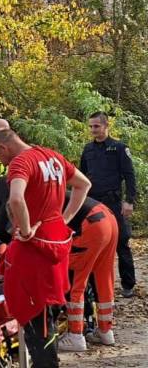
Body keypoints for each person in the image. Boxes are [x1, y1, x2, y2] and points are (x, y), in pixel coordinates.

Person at [0, 129, 91, 367]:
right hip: (56, 243)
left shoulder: (21, 162)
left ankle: (45, 362)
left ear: (3, 148)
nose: (2, 163)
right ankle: (46, 359)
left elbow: (16, 199)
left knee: (35, 314)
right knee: (50, 311)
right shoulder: (53, 156)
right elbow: (84, 184)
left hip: (33, 249)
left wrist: (25, 230)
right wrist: (64, 219)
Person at [80, 111, 137, 298]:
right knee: (94, 244)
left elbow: (129, 176)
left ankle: (128, 284)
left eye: (96, 126)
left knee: (121, 241)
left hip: (113, 201)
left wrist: (129, 201)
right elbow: (82, 176)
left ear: (106, 126)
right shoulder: (88, 150)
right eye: (90, 126)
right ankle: (97, 287)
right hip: (94, 203)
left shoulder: (119, 148)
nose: (93, 130)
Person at [55, 193, 118, 351]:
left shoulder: (28, 197)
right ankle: (105, 331)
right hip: (108, 217)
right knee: (103, 278)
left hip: (90, 223)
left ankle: (75, 335)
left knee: (76, 278)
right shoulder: (52, 186)